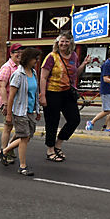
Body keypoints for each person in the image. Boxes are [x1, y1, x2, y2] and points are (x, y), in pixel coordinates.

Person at [39, 32, 90, 162]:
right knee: (52, 122)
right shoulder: (51, 57)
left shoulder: (74, 56)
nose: (64, 43)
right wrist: (42, 95)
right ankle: (50, 149)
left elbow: (74, 74)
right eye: (62, 41)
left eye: (67, 41)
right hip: (52, 93)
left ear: (71, 43)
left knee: (74, 119)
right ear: (57, 42)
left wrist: (83, 64)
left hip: (67, 93)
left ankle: (58, 144)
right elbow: (43, 77)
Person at [0, 47, 41, 176]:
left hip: (30, 111)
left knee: (28, 136)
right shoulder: (18, 74)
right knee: (24, 138)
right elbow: (11, 96)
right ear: (28, 59)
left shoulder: (33, 73)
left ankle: (4, 151)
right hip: (20, 111)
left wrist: (38, 110)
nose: (37, 61)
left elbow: (35, 92)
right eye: (36, 59)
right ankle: (22, 166)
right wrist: (9, 115)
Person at [84, 46, 110, 132]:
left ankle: (108, 127)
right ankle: (91, 122)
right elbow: (105, 79)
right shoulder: (107, 64)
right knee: (108, 110)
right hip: (107, 91)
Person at [0, 44, 23, 165]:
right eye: (16, 52)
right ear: (11, 53)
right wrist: (5, 104)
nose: (19, 54)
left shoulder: (20, 67)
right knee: (8, 127)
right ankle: (4, 152)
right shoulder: (7, 67)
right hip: (9, 103)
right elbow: (2, 86)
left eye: (21, 52)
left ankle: (10, 148)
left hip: (19, 104)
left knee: (20, 129)